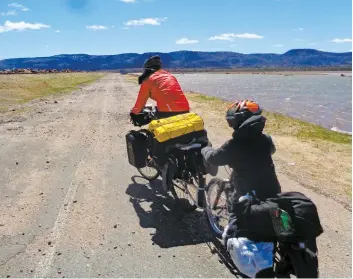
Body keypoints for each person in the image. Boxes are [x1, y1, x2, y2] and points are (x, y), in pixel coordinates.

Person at [201, 99, 281, 219]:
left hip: (247, 195)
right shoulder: (265, 139)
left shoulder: (234, 145)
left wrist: (205, 149)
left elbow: (214, 159)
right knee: (279, 225)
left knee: (235, 222)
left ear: (237, 122)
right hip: (273, 190)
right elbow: (272, 150)